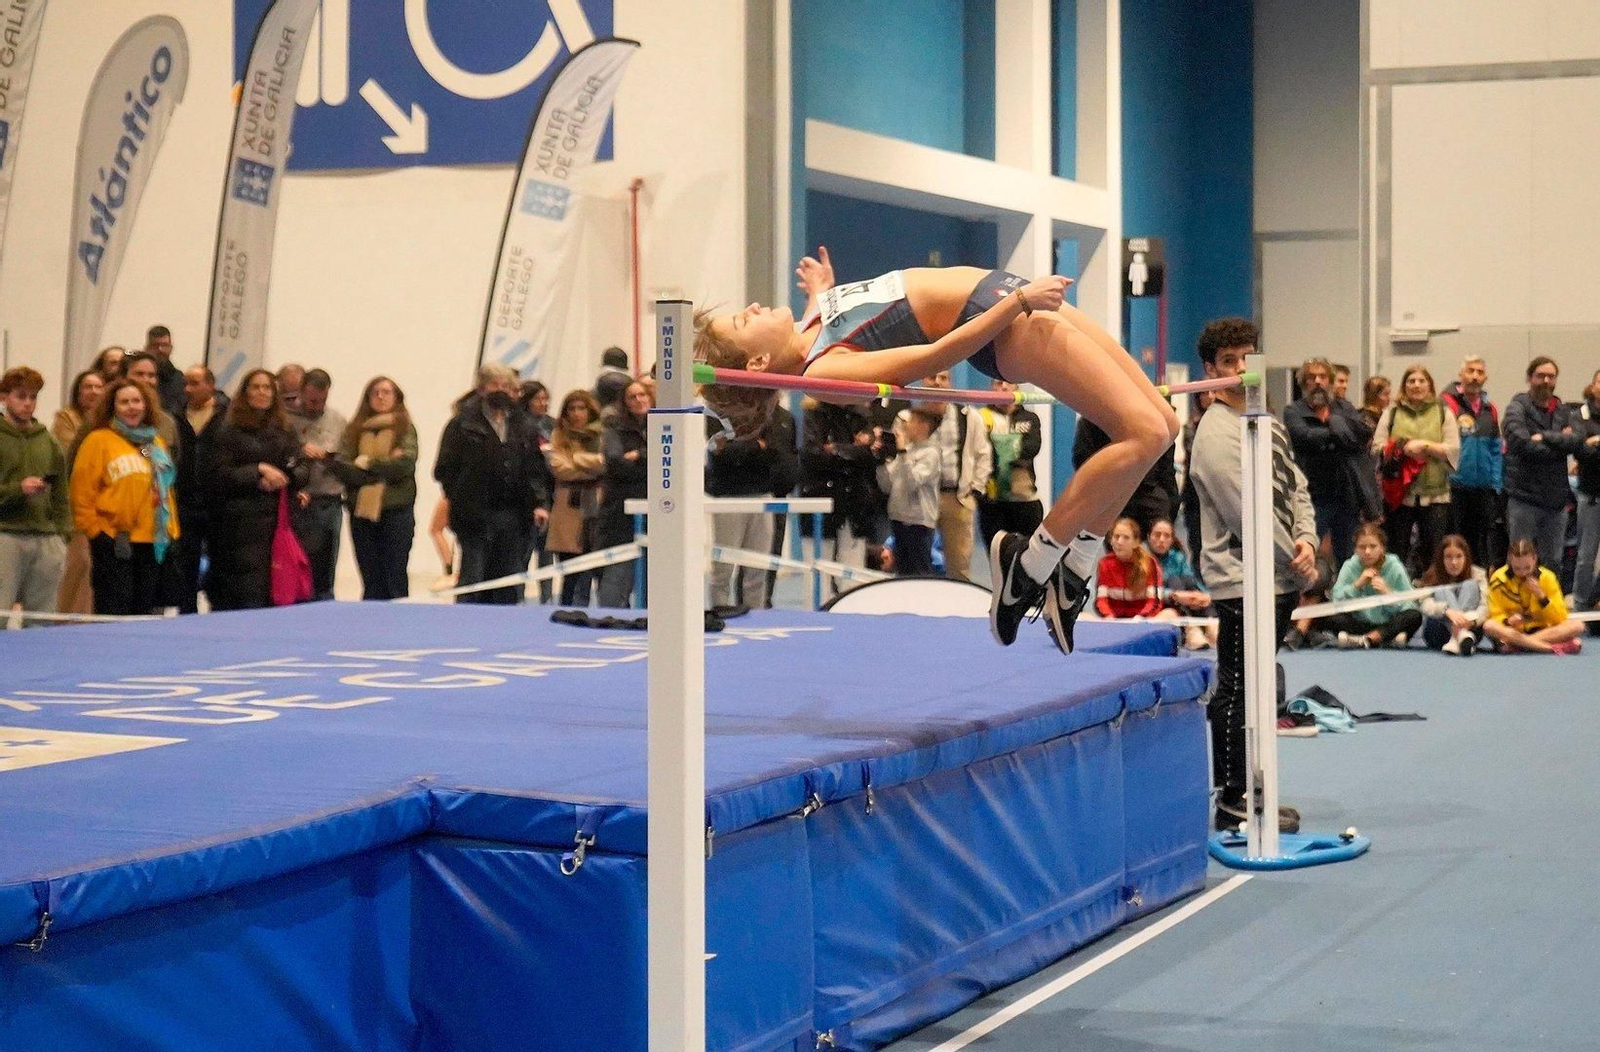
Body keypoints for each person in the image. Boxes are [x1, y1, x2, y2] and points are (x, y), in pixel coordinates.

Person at [695, 246, 1178, 654]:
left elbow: (844, 312)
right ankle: (1028, 563)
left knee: (1166, 424)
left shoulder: (808, 327)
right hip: (1000, 322)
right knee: (1143, 434)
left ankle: (1074, 570)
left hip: (999, 289)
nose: (755, 306)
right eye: (745, 319)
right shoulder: (824, 372)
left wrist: (822, 286)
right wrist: (1017, 305)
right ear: (757, 362)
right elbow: (933, 357)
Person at [1188, 317, 1319, 833]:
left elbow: (1296, 487)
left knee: (1262, 692)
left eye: (1248, 357)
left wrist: (1306, 540)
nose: (1241, 369)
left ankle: (1254, 794)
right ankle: (1232, 799)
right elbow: (1250, 513)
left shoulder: (1270, 422)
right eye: (1228, 362)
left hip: (1281, 576)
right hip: (1243, 581)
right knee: (1238, 688)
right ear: (1211, 371)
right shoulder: (1216, 435)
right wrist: (1298, 558)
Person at [435, 364, 549, 605]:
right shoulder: (461, 425)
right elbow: (445, 469)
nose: (503, 391)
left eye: (508, 386)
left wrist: (539, 503)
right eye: (496, 385)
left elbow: (535, 469)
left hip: (514, 516)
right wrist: (459, 496)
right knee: (474, 580)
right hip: (474, 516)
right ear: (482, 388)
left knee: (509, 581)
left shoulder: (523, 426)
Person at [69, 377, 178, 616]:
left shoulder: (156, 442)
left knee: (143, 615)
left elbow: (165, 491)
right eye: (124, 402)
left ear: (146, 405)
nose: (132, 407)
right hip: (114, 541)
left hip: (152, 542)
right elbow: (81, 492)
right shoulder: (98, 440)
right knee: (114, 612)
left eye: (137, 401)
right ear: (113, 407)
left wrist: (171, 531)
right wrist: (96, 532)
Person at [204, 369, 306, 611]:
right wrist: (257, 471)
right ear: (245, 392)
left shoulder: (285, 428)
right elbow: (216, 473)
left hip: (277, 522)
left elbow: (301, 467)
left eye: (267, 387)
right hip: (236, 525)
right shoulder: (225, 426)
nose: (262, 392)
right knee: (242, 592)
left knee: (275, 591)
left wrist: (283, 477)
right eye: (255, 387)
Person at [1371, 365, 1459, 572]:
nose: (1416, 385)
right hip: (1399, 496)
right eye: (1411, 381)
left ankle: (1432, 598)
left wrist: (1425, 446)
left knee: (1434, 553)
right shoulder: (1390, 413)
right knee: (1395, 553)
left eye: (1421, 380)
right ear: (1404, 386)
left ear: (1430, 385)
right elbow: (1377, 448)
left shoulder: (1443, 413)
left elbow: (1453, 449)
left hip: (1436, 495)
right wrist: (1402, 449)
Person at [1283, 357, 1371, 565]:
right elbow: (1304, 437)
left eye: (1323, 377)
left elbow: (1361, 435)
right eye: (1312, 378)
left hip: (1345, 495)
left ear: (1330, 381)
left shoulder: (1344, 407)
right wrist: (1338, 432)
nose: (1318, 382)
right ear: (1304, 383)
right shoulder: (1294, 411)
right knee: (1307, 552)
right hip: (1312, 495)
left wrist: (1331, 427)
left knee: (1348, 557)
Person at [1, 367, 71, 622]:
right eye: (21, 396)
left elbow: (61, 492)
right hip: (5, 533)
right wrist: (17, 489)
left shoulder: (49, 441)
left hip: (46, 536)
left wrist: (63, 534)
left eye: (33, 397)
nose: (28, 404)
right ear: (4, 397)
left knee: (41, 619)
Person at [340, 376, 418, 600]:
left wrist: (368, 462)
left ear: (396, 397)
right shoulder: (354, 429)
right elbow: (346, 467)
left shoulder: (405, 429)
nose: (381, 397)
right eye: (376, 392)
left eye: (387, 392)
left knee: (395, 574)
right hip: (362, 512)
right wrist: (385, 462)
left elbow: (404, 465)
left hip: (396, 510)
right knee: (370, 575)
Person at [1502, 356, 1580, 571]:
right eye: (1540, 375)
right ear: (1530, 378)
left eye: (1551, 376)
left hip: (1555, 502)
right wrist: (1559, 442)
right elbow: (1520, 444)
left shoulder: (1565, 411)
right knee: (1519, 562)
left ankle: (1547, 603)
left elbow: (1576, 441)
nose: (1546, 380)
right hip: (1523, 499)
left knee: (1553, 562)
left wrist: (1544, 437)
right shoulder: (1515, 408)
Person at [799, 397, 877, 592]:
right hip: (819, 501)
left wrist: (835, 449)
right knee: (817, 576)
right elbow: (812, 456)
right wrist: (854, 449)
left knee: (853, 574)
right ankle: (817, 619)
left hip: (854, 503)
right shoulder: (811, 415)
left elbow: (870, 455)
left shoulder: (861, 416)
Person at [920, 370, 991, 581]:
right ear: (923, 381)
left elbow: (983, 454)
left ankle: (959, 611)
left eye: (943, 378)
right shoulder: (910, 418)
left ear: (950, 382)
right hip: (921, 500)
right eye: (932, 377)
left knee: (959, 567)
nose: (937, 383)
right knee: (918, 565)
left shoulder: (969, 417)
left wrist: (975, 491)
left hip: (957, 499)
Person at [171, 366, 230, 613]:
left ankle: (218, 612)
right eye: (185, 383)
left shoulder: (227, 415)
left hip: (217, 501)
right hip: (184, 500)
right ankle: (186, 612)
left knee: (220, 564)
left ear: (211, 385)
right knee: (185, 565)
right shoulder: (176, 415)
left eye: (194, 383)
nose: (188, 389)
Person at [287, 369, 348, 601]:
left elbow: (347, 459)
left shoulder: (338, 421)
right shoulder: (286, 419)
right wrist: (300, 450)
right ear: (301, 392)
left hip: (328, 500)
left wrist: (329, 456)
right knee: (297, 562)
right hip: (298, 499)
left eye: (322, 401)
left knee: (325, 566)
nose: (316, 405)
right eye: (311, 400)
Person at [1439, 356, 1505, 571]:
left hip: (1484, 488)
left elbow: (1496, 448)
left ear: (1485, 377)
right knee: (1455, 544)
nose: (1475, 376)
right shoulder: (1445, 404)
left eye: (1479, 372)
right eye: (1470, 371)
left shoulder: (1490, 409)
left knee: (1483, 545)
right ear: (1461, 375)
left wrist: (1496, 483)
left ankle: (1480, 592)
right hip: (1455, 487)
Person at [1073, 413, 1178, 541]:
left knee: (1162, 540)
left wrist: (1172, 502)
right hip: (1113, 494)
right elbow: (1083, 463)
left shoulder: (1155, 419)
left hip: (1150, 492)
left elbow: (1167, 468)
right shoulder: (1089, 421)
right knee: (1119, 545)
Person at [51, 370, 106, 614]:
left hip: (104, 507)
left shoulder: (109, 423)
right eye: (87, 387)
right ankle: (64, 618)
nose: (93, 392)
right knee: (77, 565)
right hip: (77, 504)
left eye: (98, 387)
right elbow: (69, 456)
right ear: (77, 391)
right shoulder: (67, 419)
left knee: (93, 572)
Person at [1320, 523, 1424, 648]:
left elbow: (1410, 601)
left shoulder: (1394, 565)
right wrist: (1357, 585)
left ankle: (1369, 638)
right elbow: (1336, 599)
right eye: (1362, 547)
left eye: (1373, 546)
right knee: (1330, 616)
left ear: (1382, 548)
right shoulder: (1350, 565)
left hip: (1388, 622)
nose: (1367, 552)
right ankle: (1384, 638)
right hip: (1359, 622)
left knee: (1414, 615)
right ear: (1355, 549)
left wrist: (1388, 593)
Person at [546, 388, 605, 606]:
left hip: (598, 505)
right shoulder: (558, 436)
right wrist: (591, 464)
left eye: (581, 408)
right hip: (568, 508)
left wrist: (576, 459)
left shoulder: (603, 435)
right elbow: (560, 468)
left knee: (600, 568)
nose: (576, 413)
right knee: (570, 571)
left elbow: (607, 463)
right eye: (571, 408)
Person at [595, 381, 650, 607]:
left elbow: (673, 459)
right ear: (624, 403)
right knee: (617, 579)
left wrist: (640, 455)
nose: (639, 400)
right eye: (632, 397)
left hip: (656, 512)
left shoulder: (665, 426)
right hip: (620, 514)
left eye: (642, 395)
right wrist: (651, 463)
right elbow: (616, 464)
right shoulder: (613, 430)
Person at [975, 379, 1045, 549]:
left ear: (1016, 387)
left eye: (1008, 383)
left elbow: (1031, 448)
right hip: (992, 501)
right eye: (998, 383)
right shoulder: (980, 418)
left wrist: (1004, 451)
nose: (1003, 387)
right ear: (992, 387)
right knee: (996, 557)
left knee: (1029, 557)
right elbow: (979, 453)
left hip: (1024, 499)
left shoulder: (1029, 418)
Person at [1483, 538, 1585, 654]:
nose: (1522, 573)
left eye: (1527, 568)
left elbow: (1560, 617)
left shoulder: (1548, 577)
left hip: (1541, 631)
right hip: (1512, 631)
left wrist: (1542, 596)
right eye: (1517, 568)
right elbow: (1494, 613)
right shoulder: (1498, 578)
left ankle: (1519, 645)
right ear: (1510, 560)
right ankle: (1551, 648)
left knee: (1578, 625)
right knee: (1489, 626)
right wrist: (1507, 621)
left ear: (1535, 559)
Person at [875, 407, 942, 576]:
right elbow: (887, 485)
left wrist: (903, 452)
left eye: (910, 422)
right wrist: (881, 461)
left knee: (919, 572)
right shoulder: (906, 451)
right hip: (899, 519)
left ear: (923, 426)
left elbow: (912, 482)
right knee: (903, 573)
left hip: (919, 523)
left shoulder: (931, 454)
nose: (905, 426)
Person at [1148, 517, 1214, 649]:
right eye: (1157, 535)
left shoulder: (1177, 556)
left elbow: (1191, 580)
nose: (1161, 540)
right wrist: (1174, 595)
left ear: (1172, 540)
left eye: (1166, 536)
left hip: (1184, 600)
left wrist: (1203, 596)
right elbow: (1146, 590)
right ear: (1149, 537)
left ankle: (1211, 626)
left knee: (1188, 582)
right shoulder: (1143, 559)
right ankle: (1192, 629)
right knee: (1174, 580)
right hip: (1159, 602)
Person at [518, 380, 558, 600]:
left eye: (546, 399)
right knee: (523, 553)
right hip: (529, 497)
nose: (543, 403)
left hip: (553, 494)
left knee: (547, 553)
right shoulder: (519, 426)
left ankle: (547, 597)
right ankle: (518, 595)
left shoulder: (553, 425)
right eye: (538, 399)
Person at [1417, 534, 1488, 655]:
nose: (1454, 562)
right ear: (1442, 558)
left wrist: (1471, 620)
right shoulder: (1432, 575)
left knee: (1470, 585)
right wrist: (1446, 611)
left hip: (1471, 628)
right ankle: (1460, 636)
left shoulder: (1478, 575)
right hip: (1440, 631)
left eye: (1459, 556)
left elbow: (1485, 606)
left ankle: (1458, 638)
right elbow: (1425, 605)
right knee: (1442, 589)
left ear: (1466, 557)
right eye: (1448, 557)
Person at [1093, 517, 1175, 622]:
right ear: (1110, 540)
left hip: (1142, 620)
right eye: (1116, 537)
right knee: (1082, 616)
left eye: (1126, 538)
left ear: (1136, 542)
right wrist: (1108, 617)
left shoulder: (1150, 563)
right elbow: (1100, 601)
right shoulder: (1104, 563)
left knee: (1170, 614)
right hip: (1113, 621)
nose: (1119, 542)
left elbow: (1154, 602)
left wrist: (1139, 619)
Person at [1569, 370, 1600, 610]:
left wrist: (1595, 441)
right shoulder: (1580, 414)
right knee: (1585, 557)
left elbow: (1589, 448)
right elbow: (1580, 450)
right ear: (1593, 386)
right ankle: (1580, 607)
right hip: (1590, 495)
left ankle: (1594, 601)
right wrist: (1587, 446)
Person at [122, 353, 179, 450]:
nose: (146, 380)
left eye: (151, 375)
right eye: (139, 374)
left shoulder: (166, 422)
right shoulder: (107, 419)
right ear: (123, 378)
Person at [143, 325, 185, 416]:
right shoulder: (139, 376)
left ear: (171, 348)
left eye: (164, 345)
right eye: (155, 345)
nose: (160, 350)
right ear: (147, 349)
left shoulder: (179, 378)